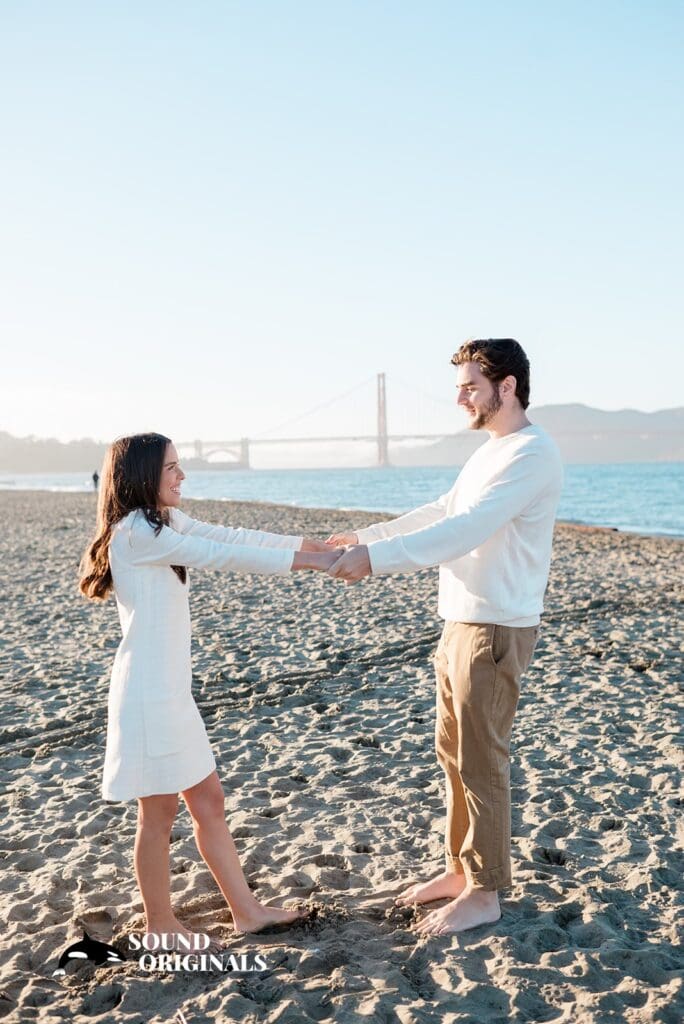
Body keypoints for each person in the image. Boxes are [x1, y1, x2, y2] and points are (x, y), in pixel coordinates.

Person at [327, 339, 563, 935]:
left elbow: (465, 529)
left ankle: (485, 891)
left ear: (506, 387)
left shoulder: (532, 453)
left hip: (496, 624)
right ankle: (462, 868)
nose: (459, 397)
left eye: (470, 387)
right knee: (453, 752)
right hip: (460, 620)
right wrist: (366, 534)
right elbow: (442, 510)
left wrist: (375, 560)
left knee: (483, 759)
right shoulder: (490, 451)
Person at [79, 432, 339, 943]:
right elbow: (219, 556)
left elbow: (233, 538)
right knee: (158, 814)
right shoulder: (135, 531)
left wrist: (310, 546)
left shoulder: (161, 521)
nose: (181, 475)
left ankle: (247, 911)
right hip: (148, 697)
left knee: (209, 801)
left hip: (170, 693)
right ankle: (160, 926)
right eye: (171, 468)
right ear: (141, 475)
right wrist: (312, 563)